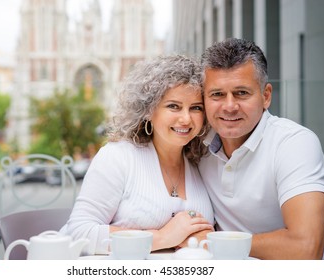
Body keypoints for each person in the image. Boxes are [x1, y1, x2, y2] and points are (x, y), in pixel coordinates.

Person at [60, 55, 215, 255]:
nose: (186, 118)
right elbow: (78, 233)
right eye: (173, 106)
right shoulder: (118, 157)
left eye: (196, 108)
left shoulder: (202, 161)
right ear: (148, 110)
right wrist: (162, 238)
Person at [199, 38, 324, 260]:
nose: (230, 106)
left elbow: (306, 248)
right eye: (217, 94)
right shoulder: (196, 146)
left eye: (241, 93)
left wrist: (213, 243)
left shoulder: (294, 143)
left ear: (266, 96)